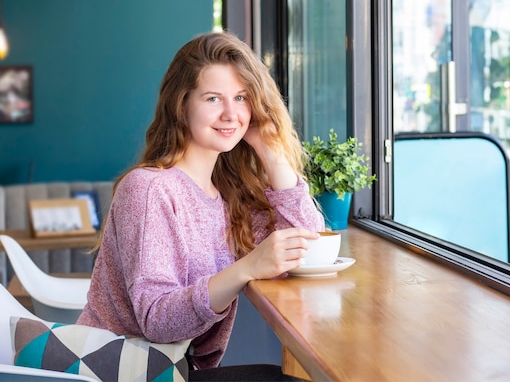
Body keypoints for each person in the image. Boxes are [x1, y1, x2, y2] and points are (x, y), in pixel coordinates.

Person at [76, 31, 325, 381]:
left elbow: (308, 249)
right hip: (122, 371)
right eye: (213, 98)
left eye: (241, 98)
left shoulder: (226, 194)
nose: (230, 113)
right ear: (181, 105)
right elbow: (157, 320)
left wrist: (272, 154)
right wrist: (246, 268)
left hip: (175, 369)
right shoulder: (149, 188)